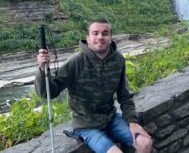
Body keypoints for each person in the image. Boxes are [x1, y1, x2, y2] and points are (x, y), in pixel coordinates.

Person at [35, 18, 153, 153]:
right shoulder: (76, 62)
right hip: (86, 125)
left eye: (105, 33)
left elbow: (124, 96)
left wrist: (133, 122)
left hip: (111, 119)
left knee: (145, 142)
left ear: (110, 37)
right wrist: (42, 68)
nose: (100, 37)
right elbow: (48, 92)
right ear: (88, 38)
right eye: (95, 33)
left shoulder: (118, 60)